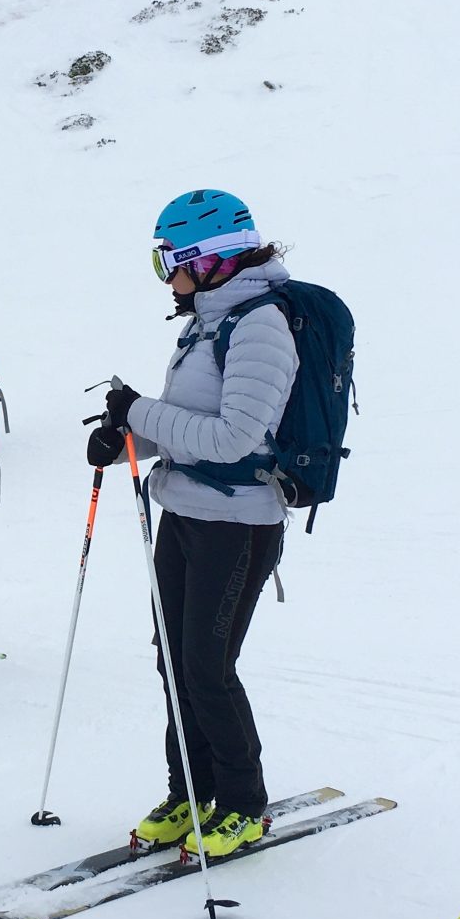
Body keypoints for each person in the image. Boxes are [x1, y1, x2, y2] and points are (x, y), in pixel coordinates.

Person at [84, 189, 295, 860]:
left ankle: (241, 803)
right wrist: (126, 437)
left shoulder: (261, 325)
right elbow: (188, 426)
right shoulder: (206, 323)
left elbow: (235, 438)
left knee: (207, 663)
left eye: (169, 259)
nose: (166, 274)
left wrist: (138, 414)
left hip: (238, 522)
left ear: (211, 259)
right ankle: (190, 792)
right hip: (185, 511)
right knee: (174, 661)